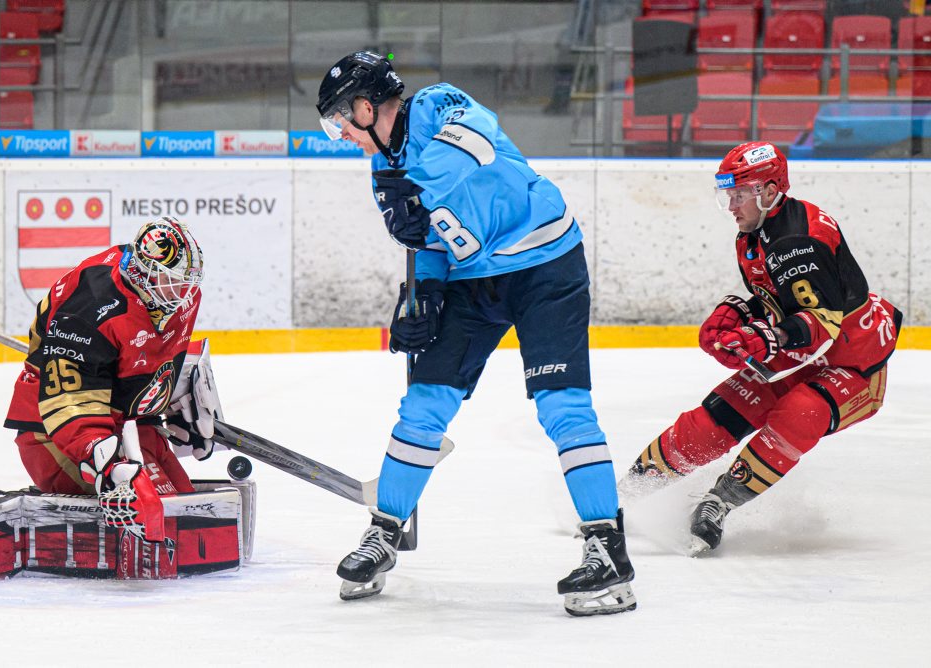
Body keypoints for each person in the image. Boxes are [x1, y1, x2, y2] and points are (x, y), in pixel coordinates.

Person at [316, 51, 636, 616]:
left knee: (563, 406)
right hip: (472, 283)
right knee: (423, 405)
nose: (341, 134)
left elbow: (478, 142)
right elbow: (426, 241)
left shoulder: (439, 105)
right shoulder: (381, 168)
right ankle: (384, 532)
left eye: (340, 119)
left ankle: (607, 549)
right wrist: (424, 296)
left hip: (545, 264)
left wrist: (418, 185)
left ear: (367, 107)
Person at [620, 141, 903, 554]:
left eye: (740, 194)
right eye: (728, 194)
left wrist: (766, 337)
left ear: (770, 191)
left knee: (799, 413)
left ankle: (719, 502)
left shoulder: (798, 241)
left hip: (854, 361)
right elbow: (782, 295)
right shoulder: (756, 232)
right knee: (720, 415)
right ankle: (626, 494)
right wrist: (738, 310)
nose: (732, 205)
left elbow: (823, 322)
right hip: (806, 347)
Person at [3, 217, 219, 541]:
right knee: (147, 511)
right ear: (143, 273)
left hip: (127, 424)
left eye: (187, 281)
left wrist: (184, 405)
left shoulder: (175, 297)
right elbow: (68, 399)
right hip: (55, 432)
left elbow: (156, 356)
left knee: (187, 512)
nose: (184, 292)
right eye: (171, 281)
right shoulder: (91, 305)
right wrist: (105, 464)